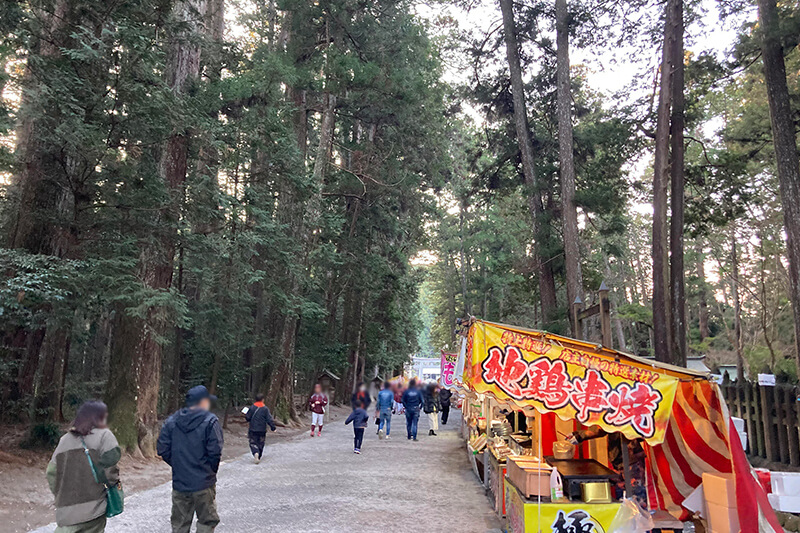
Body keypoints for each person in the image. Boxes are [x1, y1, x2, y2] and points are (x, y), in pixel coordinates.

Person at [46, 401, 121, 533]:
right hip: (94, 509)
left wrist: (60, 495)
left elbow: (51, 472)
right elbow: (110, 470)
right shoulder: (104, 435)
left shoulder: (64, 440)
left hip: (66, 513)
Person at [157, 385, 223, 533]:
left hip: (181, 482)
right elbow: (215, 452)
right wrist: (209, 471)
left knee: (179, 524)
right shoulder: (211, 421)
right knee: (207, 520)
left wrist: (179, 465)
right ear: (203, 402)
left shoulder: (171, 421)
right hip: (204, 482)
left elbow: (163, 449)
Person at [244, 393, 276, 464]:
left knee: (253, 442)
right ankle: (259, 455)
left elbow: (247, 418)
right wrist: (273, 427)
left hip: (253, 429)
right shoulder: (265, 409)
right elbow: (269, 419)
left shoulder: (252, 407)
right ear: (263, 400)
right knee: (261, 443)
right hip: (262, 429)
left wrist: (245, 414)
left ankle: (255, 453)